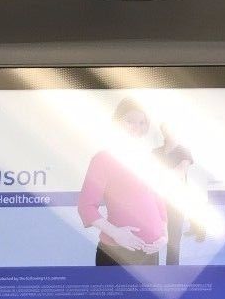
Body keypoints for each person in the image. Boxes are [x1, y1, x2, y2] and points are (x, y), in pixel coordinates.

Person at [77, 99, 167, 267]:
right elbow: (86, 207)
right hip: (117, 253)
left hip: (151, 252)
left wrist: (164, 236)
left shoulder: (149, 160)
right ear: (117, 122)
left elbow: (158, 201)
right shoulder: (103, 159)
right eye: (130, 121)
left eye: (142, 122)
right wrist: (116, 234)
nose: (136, 127)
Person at [152, 122, 207, 265]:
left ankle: (172, 273)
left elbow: (180, 173)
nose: (168, 132)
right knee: (154, 236)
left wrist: (159, 175)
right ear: (162, 131)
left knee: (173, 240)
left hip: (177, 198)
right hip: (157, 199)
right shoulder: (155, 152)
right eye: (165, 129)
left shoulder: (184, 151)